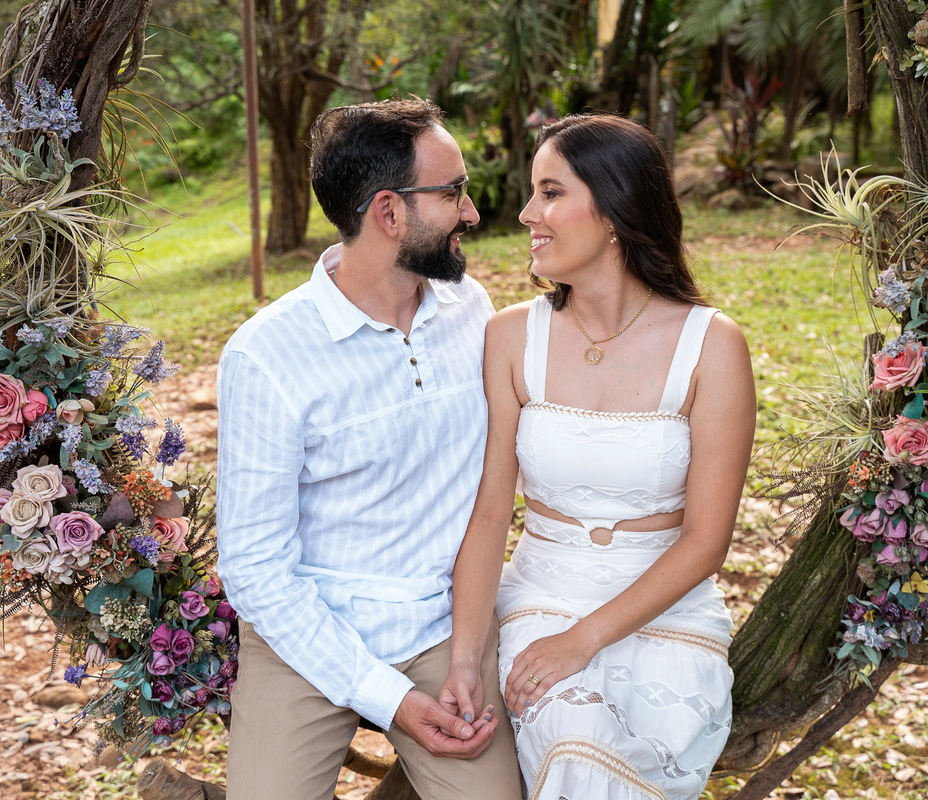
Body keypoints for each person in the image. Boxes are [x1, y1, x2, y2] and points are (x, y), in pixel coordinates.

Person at [440, 114, 756, 799]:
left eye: (549, 192)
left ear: (614, 207)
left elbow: (706, 542)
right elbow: (492, 511)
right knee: (576, 745)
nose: (527, 214)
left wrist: (585, 641)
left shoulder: (713, 345)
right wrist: (468, 656)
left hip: (669, 616)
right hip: (542, 599)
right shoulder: (510, 337)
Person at [216, 99, 522, 800]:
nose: (471, 212)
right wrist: (385, 698)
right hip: (310, 630)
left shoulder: (470, 309)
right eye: (452, 193)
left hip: (445, 625)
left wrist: (466, 656)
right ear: (389, 213)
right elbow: (257, 567)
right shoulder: (265, 356)